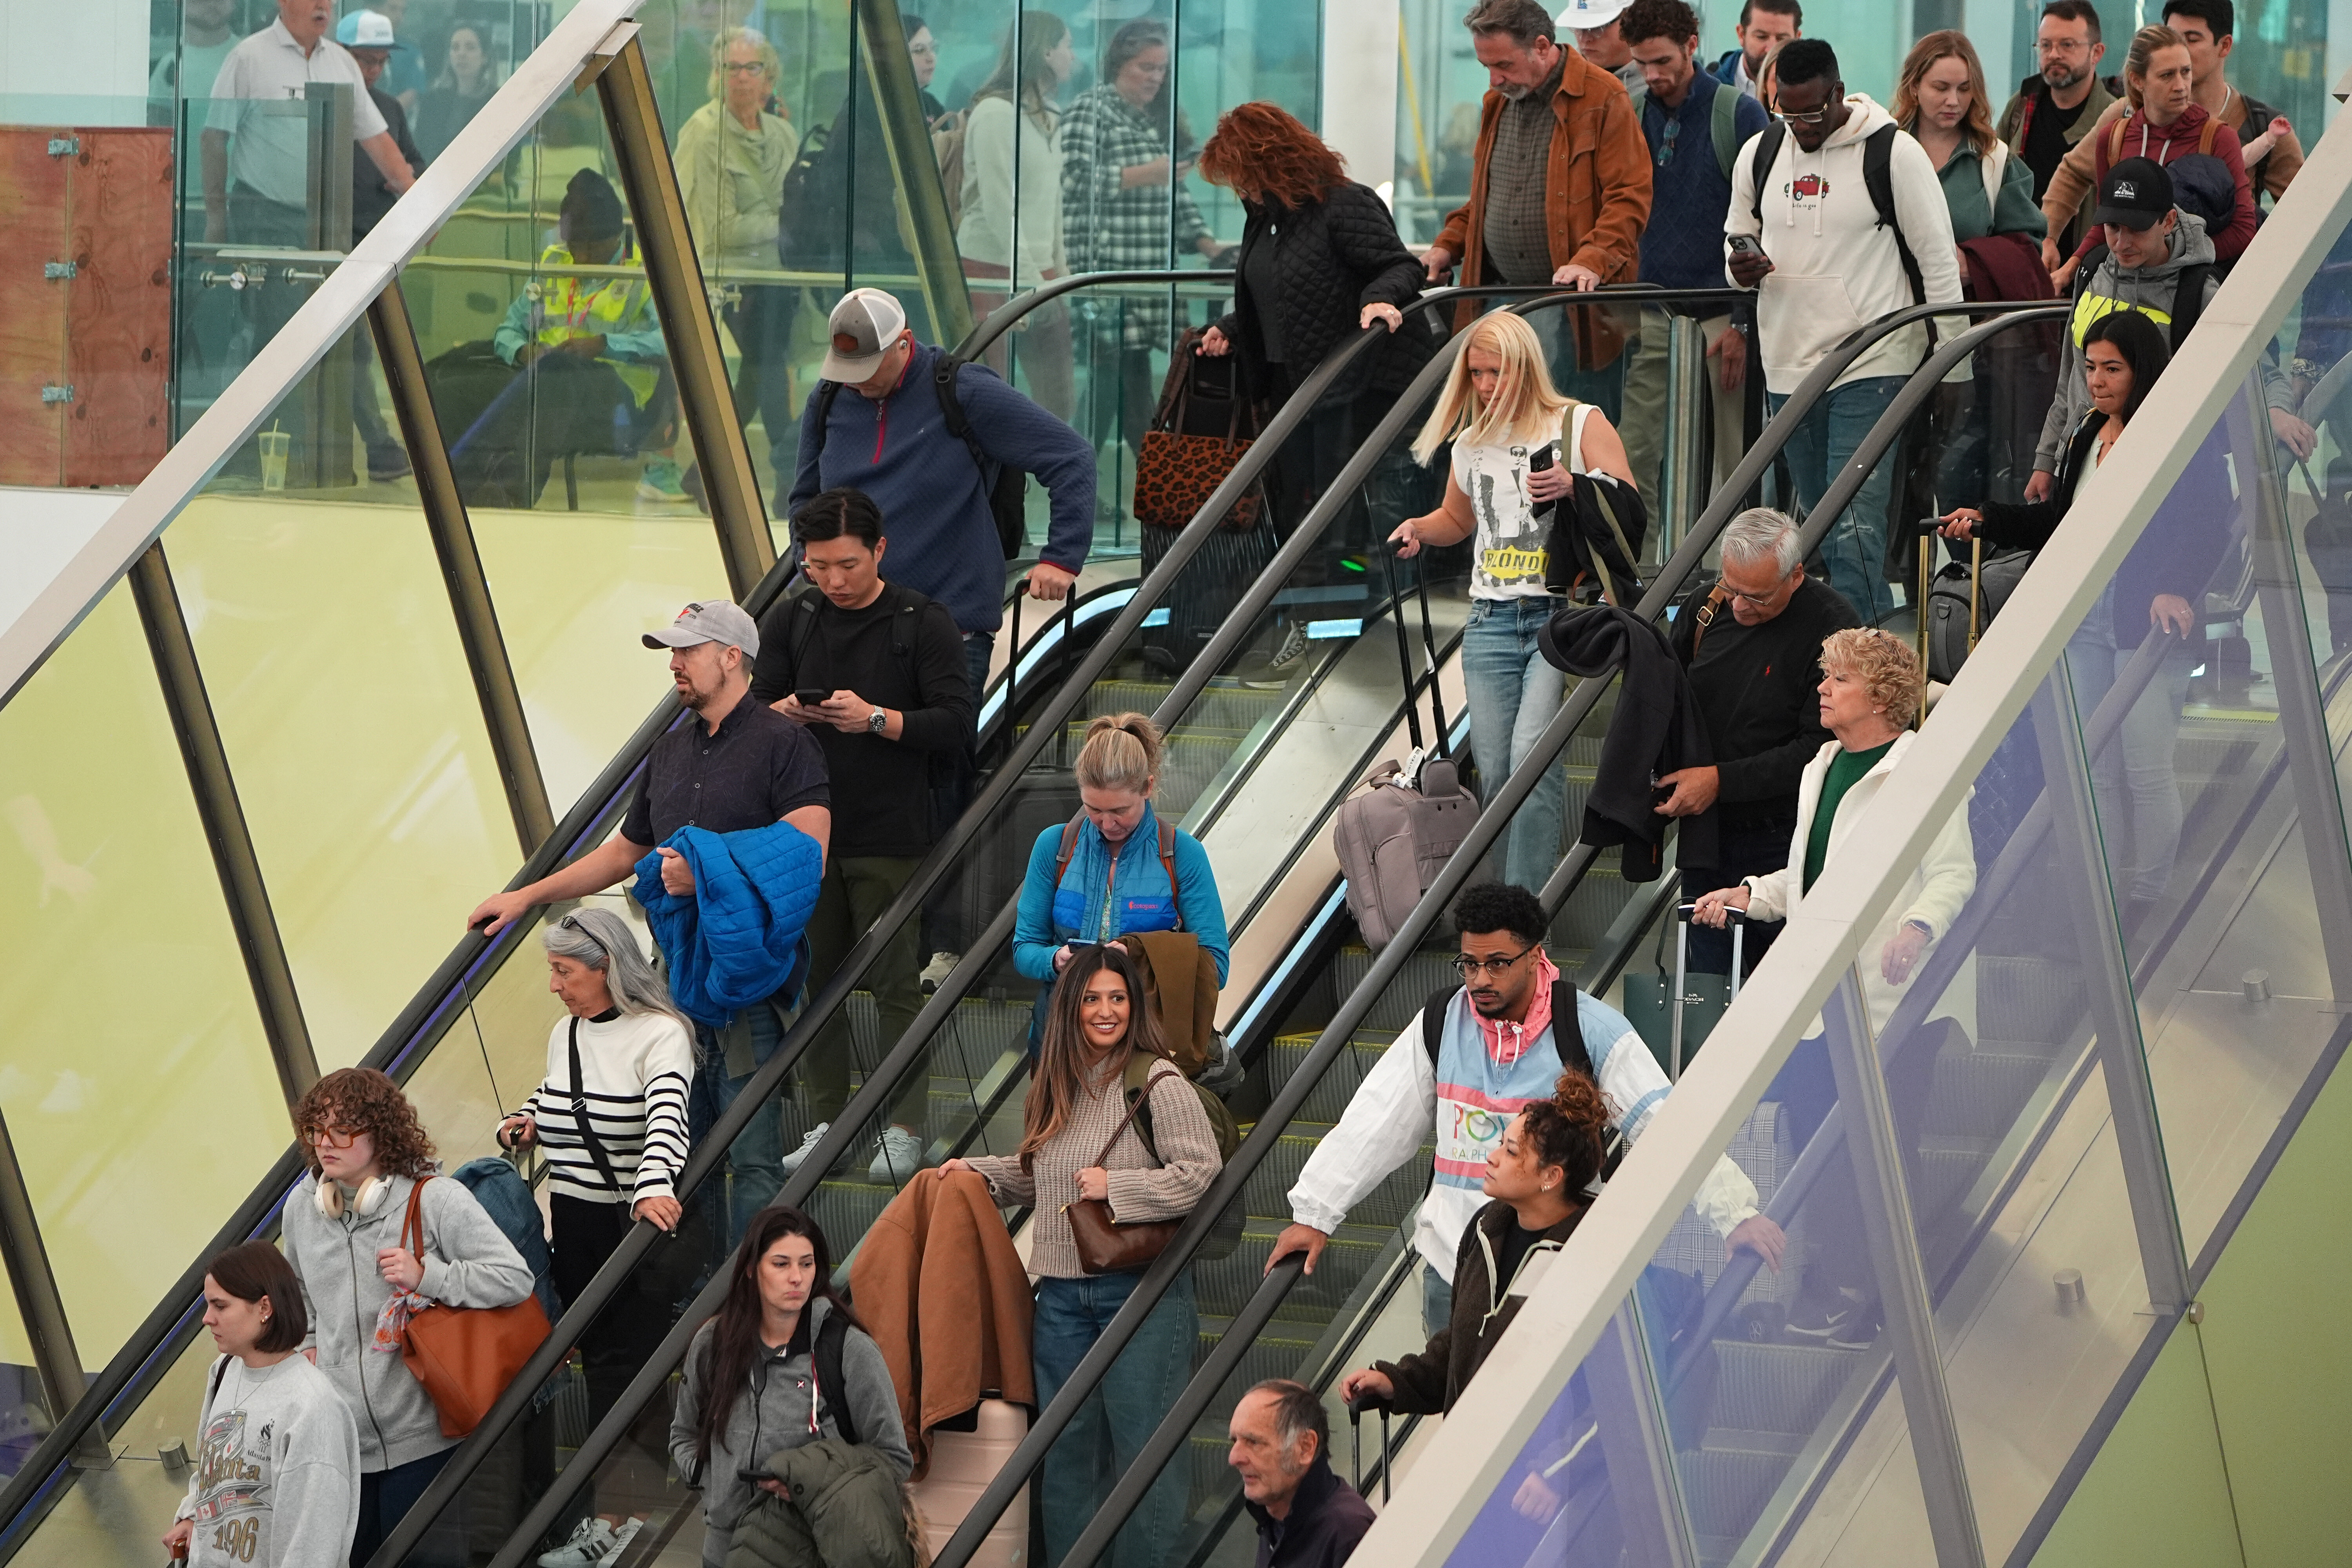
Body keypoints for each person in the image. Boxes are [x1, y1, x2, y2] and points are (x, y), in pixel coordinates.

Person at [468, 600, 831, 1240]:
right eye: (673, 652)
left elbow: (809, 854)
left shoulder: (785, 744)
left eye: (688, 651)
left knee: (751, 1156)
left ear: (730, 657)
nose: (675, 664)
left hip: (748, 987)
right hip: (674, 981)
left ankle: (742, 1297)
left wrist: (706, 874)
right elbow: (624, 854)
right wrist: (526, 897)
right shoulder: (668, 753)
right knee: (672, 1150)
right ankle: (688, 1299)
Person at [1273, 883, 1782, 1338]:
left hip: (1552, 1273)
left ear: (1536, 956)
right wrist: (1316, 1213)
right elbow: (1374, 1122)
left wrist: (1733, 1214)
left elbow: (1665, 1126)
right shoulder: (1440, 1023)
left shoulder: (1590, 1030)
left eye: (1498, 962)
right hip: (1455, 1272)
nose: (1479, 980)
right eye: (1469, 964)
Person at [1693, 630, 1971, 1344]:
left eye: (1838, 679)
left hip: (1899, 1005)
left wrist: (1916, 928)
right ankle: (1839, 1282)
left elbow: (1953, 874)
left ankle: (1887, 1293)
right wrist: (1751, 891)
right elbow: (1812, 879)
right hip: (1827, 1004)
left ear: (1881, 697)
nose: (1821, 688)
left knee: (1884, 1153)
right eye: (1824, 676)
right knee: (1823, 1146)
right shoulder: (1823, 765)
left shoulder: (1924, 770)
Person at [1940, 311, 2230, 920]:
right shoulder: (2087, 432)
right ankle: (2099, 897)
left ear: (2142, 369)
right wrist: (1990, 518)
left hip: (2147, 621)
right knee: (2094, 767)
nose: (2096, 381)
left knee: (2146, 767)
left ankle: (2148, 897)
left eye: (2112, 369)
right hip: (2087, 615)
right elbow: (2062, 523)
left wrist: (2175, 587)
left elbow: (2209, 523)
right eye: (2091, 367)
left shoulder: (2182, 431)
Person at [944, 944, 1222, 1568]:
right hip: (1063, 1299)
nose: (1106, 1011)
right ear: (1071, 1007)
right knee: (1064, 1450)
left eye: (1117, 998)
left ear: (1134, 1005)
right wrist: (974, 1174)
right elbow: (1042, 1174)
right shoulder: (1056, 1082)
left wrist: (1117, 1189)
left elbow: (1201, 1172)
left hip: (1142, 1293)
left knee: (1143, 1453)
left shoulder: (1158, 1081)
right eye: (1093, 998)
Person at [748, 488, 974, 1183]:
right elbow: (754, 711)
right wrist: (783, 712)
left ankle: (904, 1124)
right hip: (806, 831)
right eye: (818, 566)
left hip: (891, 831)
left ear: (879, 550)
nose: (834, 580)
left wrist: (877, 718)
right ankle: (827, 1120)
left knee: (895, 980)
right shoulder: (797, 616)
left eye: (846, 564)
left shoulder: (920, 620)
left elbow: (957, 724)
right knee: (817, 980)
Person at [1388, 310, 1636, 890]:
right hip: (1489, 620)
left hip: (1560, 616)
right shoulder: (1471, 444)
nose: (1485, 386)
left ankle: (1525, 913)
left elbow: (1629, 503)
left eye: (1496, 372)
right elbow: (1457, 518)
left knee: (1531, 758)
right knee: (1496, 771)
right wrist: (1421, 530)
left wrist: (1576, 486)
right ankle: (1504, 907)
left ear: (1524, 368)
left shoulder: (1576, 423)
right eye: (1476, 374)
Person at [1725, 36, 1963, 624]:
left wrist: (1956, 365)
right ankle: (1840, 661)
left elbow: (1938, 262)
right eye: (1787, 111)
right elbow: (1732, 242)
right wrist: (1739, 270)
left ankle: (1866, 671)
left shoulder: (1893, 153)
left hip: (1873, 363)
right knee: (1821, 531)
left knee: (1855, 525)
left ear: (1837, 93)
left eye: (1811, 111)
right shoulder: (1760, 151)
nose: (1800, 124)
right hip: (1786, 363)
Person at [495, 909, 695, 1568]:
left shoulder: (661, 1034)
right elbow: (561, 1093)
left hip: (632, 1223)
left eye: (564, 971)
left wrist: (655, 1183)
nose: (555, 985)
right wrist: (528, 1118)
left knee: (624, 1370)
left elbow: (668, 1113)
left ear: (607, 964)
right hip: (575, 1220)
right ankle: (604, 1511)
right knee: (585, 1358)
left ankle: (626, 1516)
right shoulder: (567, 1032)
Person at [789, 287, 1097, 700]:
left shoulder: (963, 390)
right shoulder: (828, 399)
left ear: (905, 343)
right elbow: (806, 497)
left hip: (951, 629)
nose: (857, 382)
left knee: (938, 759)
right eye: (847, 368)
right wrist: (805, 557)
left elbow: (1071, 456)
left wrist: (1062, 558)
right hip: (853, 628)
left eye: (867, 367)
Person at [280, 1067, 535, 1565]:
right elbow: (298, 1294)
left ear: (380, 1131)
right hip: (343, 1443)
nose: (325, 1143)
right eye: (316, 1129)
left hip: (423, 1438)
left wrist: (429, 1276)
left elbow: (513, 1278)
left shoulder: (434, 1197)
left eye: (342, 1129)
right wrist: (308, 1342)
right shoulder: (302, 1209)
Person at [1194, 100, 1432, 629]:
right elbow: (1279, 291)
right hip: (1289, 379)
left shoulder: (1344, 205)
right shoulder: (1265, 220)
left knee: (1334, 501)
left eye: (1242, 176)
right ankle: (1307, 606)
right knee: (1292, 495)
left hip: (1350, 381)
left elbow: (1398, 265)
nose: (1240, 190)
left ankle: (1336, 608)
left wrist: (1379, 299)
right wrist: (1233, 328)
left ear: (1270, 164)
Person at [2029, 158, 2307, 499]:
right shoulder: (2093, 272)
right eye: (2113, 227)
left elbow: (2259, 372)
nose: (2122, 242)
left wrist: (2274, 412)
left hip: (2161, 485)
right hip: (2080, 468)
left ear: (2168, 221)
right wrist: (2047, 461)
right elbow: (2069, 380)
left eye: (2137, 228)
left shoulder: (2198, 293)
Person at [1339, 1072, 1606, 1423]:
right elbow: (1464, 1344)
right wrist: (1398, 1381)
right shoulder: (1486, 1229)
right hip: (1470, 1456)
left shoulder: (1589, 1255)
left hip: (1543, 1467)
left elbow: (1597, 1391)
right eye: (1501, 1144)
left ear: (1551, 1177)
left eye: (1511, 1152)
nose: (1493, 1158)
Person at [1662, 508, 1858, 975]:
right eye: (1732, 588)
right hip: (1707, 838)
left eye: (1758, 597)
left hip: (1784, 839)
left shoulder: (1832, 627)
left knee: (1783, 987)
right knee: (1707, 991)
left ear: (1796, 575)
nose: (1741, 606)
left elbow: (1821, 749)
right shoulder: (1704, 608)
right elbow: (1668, 701)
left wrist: (1718, 781)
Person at [1422, 0, 1650, 396]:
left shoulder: (1604, 98)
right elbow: (1483, 199)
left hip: (1574, 312)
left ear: (1542, 46)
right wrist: (1447, 246)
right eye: (1487, 68)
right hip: (1499, 299)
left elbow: (1629, 198)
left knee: (1571, 439)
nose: (1494, 80)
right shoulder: (1497, 105)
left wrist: (1591, 261)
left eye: (1504, 66)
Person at [669, 1206, 911, 1568]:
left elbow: (894, 1461)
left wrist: (810, 1481)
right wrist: (713, 1481)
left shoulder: (848, 1350)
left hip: (808, 1553)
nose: (797, 1277)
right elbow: (682, 1435)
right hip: (722, 1553)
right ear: (752, 1269)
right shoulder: (712, 1343)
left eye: (807, 1264)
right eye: (781, 1264)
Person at [447, 169, 684, 508]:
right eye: (576, 247)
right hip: (547, 382)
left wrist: (605, 345)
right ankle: (459, 487)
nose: (583, 257)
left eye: (593, 248)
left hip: (616, 399)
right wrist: (524, 351)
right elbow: (509, 329)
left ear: (616, 237)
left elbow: (676, 340)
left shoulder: (645, 272)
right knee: (457, 376)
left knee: (558, 375)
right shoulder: (555, 263)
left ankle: (512, 494)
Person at [1617, 0, 1771, 513]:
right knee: (1635, 449)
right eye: (1642, 63)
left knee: (1736, 458)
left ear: (1691, 47)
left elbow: (1761, 228)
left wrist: (1744, 324)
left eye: (1662, 62)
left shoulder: (1739, 113)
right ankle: (1638, 575)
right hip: (1654, 308)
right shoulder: (1633, 112)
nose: (1652, 74)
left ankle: (1740, 576)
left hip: (1723, 310)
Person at [1011, 713, 1230, 1045]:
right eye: (1093, 810)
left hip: (1146, 1043)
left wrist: (1141, 960)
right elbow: (1025, 948)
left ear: (1148, 788)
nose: (1107, 824)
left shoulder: (1181, 853)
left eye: (1120, 811)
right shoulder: (1055, 846)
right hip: (1062, 1041)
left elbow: (1216, 967)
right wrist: (1055, 960)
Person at [1060, 19, 1224, 456]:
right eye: (1145, 67)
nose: (1154, 77)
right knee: (1121, 381)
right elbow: (1073, 180)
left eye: (1161, 69)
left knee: (1122, 382)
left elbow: (1172, 196)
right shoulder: (1088, 110)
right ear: (1118, 64)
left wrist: (1209, 245)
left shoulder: (1153, 120)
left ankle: (1117, 484)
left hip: (1143, 275)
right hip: (1107, 276)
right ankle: (1152, 483)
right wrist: (1145, 174)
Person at [164, 1242, 360, 1568]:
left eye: (220, 1306)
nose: (206, 1319)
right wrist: (192, 1514)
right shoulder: (225, 1369)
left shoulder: (312, 1407)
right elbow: (212, 1468)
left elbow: (312, 1544)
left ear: (265, 1308)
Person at [675, 27, 802, 494]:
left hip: (781, 276)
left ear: (769, 76)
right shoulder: (705, 133)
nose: (742, 78)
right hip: (731, 278)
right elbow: (720, 228)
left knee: (758, 373)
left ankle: (702, 475)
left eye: (752, 68)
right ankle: (790, 479)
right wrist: (781, 225)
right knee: (767, 369)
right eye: (732, 68)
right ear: (717, 74)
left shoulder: (784, 133)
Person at [2040, 25, 2256, 282]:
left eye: (2185, 72)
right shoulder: (2113, 138)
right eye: (2167, 75)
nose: (2181, 86)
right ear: (2137, 80)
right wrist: (2072, 267)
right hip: (2123, 287)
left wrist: (2169, 261)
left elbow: (2244, 230)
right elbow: (2107, 224)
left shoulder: (2217, 138)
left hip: (2191, 293)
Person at [201, 0, 418, 252]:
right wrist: (215, 218)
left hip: (329, 218)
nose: (323, 6)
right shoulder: (248, 57)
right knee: (276, 293)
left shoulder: (342, 63)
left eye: (329, 0)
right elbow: (214, 139)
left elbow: (377, 140)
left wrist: (415, 203)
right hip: (264, 214)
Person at [958, 11, 1075, 420]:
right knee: (991, 401)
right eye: (1067, 46)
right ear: (1045, 51)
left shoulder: (1051, 115)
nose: (1072, 56)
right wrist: (1029, 280)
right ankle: (997, 486)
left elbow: (1052, 203)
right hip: (990, 271)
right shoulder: (993, 114)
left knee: (1059, 402)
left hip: (1039, 275)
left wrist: (1058, 276)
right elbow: (998, 208)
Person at [335, 8, 425, 487]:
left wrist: (406, 184)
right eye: (364, 61)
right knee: (351, 350)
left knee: (364, 349)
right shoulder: (326, 105)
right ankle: (377, 443)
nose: (372, 71)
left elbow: (413, 164)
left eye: (380, 62)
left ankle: (380, 444)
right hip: (333, 243)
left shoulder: (389, 109)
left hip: (378, 245)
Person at [1997, 1, 2119, 252]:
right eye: (2046, 45)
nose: (2053, 54)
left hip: (2083, 271)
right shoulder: (2021, 105)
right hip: (2020, 264)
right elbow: (1990, 175)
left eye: (2067, 45)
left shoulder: (2114, 120)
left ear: (2097, 53)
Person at [1228, 1380, 1374, 1568]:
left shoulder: (1348, 1533)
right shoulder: (1277, 1515)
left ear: (1305, 1448)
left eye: (1254, 1442)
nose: (1234, 1458)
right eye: (1235, 1441)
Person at [414, 22, 500, 163]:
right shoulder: (433, 101)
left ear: (485, 57)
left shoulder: (497, 102)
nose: (461, 54)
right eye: (455, 48)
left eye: (470, 48)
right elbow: (419, 151)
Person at [1708, 0, 1799, 103]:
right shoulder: (1709, 89)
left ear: (1797, 39)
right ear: (1741, 35)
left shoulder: (1812, 91)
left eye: (1782, 39)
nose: (1771, 49)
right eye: (1762, 37)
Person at [1558, 0, 1644, 91]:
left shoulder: (1655, 85)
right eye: (1577, 28)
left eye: (1598, 28)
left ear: (1633, 19)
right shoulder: (1560, 76)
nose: (1584, 39)